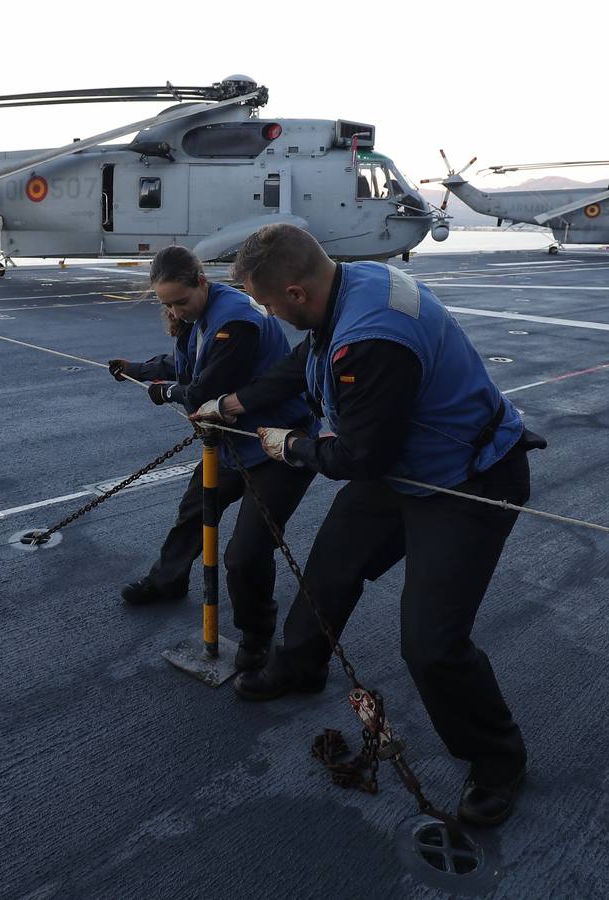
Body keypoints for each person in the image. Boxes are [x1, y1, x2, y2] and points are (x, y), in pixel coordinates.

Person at [192, 224, 546, 827]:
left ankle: (498, 759)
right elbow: (306, 360)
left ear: (297, 293)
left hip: (467, 481)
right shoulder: (355, 281)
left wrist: (289, 445)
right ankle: (301, 665)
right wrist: (231, 405)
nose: (267, 312)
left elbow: (357, 459)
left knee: (431, 645)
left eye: (269, 302)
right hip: (406, 467)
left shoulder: (370, 339)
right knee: (330, 569)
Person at [106, 245, 318, 671]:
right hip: (231, 443)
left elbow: (203, 388)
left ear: (202, 281)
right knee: (194, 512)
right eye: (167, 304)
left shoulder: (237, 321)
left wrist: (163, 391)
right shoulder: (200, 316)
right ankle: (168, 580)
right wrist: (141, 368)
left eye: (181, 301)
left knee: (245, 554)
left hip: (276, 446)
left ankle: (257, 637)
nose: (177, 311)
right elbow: (188, 363)